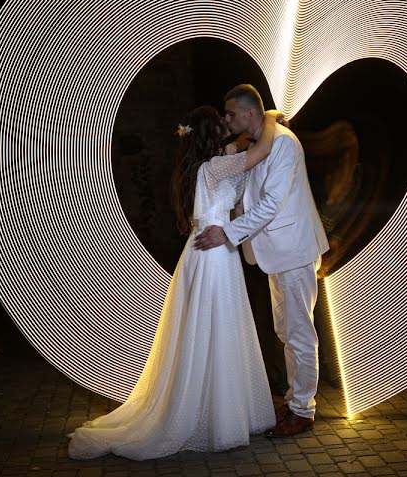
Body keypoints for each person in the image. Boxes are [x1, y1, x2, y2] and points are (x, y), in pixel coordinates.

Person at [67, 105, 284, 460]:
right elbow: (259, 152)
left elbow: (239, 148)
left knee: (214, 328)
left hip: (209, 250)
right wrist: (272, 118)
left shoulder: (206, 165)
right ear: (212, 135)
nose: (228, 129)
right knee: (216, 327)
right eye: (221, 125)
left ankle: (219, 411)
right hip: (213, 254)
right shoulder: (217, 166)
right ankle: (217, 417)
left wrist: (242, 135)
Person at [194, 84, 330, 437]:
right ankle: (295, 402)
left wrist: (228, 233)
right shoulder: (257, 145)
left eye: (232, 114)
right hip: (276, 252)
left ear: (250, 113)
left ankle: (302, 411)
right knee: (287, 331)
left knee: (299, 334)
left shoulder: (281, 143)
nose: (228, 119)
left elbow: (272, 204)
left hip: (293, 249)